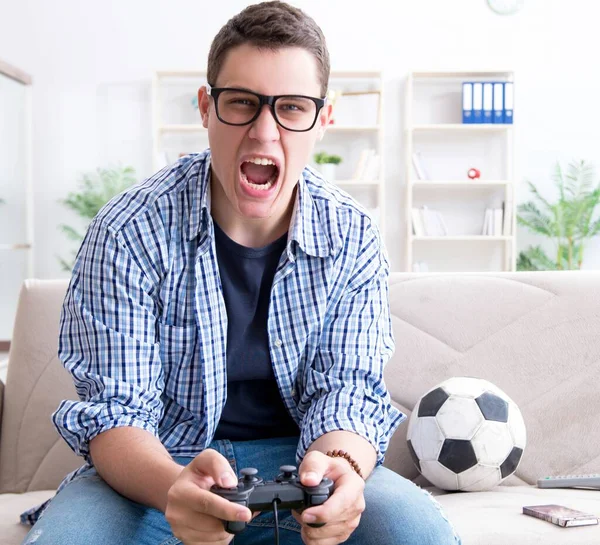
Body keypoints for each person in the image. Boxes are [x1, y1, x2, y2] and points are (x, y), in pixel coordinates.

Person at [21, 2, 460, 544]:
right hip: (160, 466)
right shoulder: (127, 232)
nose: (263, 132)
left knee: (419, 535)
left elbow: (349, 388)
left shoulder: (352, 235)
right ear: (206, 107)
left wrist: (341, 465)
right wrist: (174, 488)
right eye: (243, 103)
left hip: (302, 463)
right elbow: (116, 412)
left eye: (292, 108)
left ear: (323, 119)